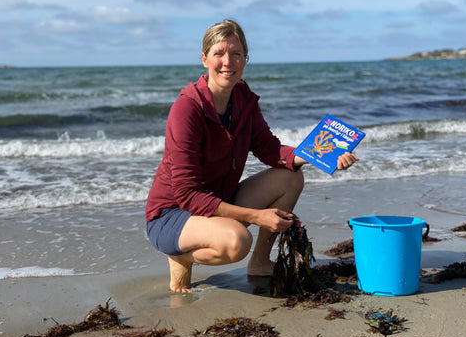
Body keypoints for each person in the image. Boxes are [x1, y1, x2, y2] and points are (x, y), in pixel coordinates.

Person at [145, 20, 359, 292]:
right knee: (237, 242)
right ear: (204, 59)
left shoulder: (243, 99)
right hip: (172, 214)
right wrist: (257, 217)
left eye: (236, 54)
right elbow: (188, 194)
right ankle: (180, 257)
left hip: (218, 201)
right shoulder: (187, 108)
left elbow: (270, 150)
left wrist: (325, 154)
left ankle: (259, 263)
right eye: (219, 53)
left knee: (289, 178)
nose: (227, 62)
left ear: (246, 58)